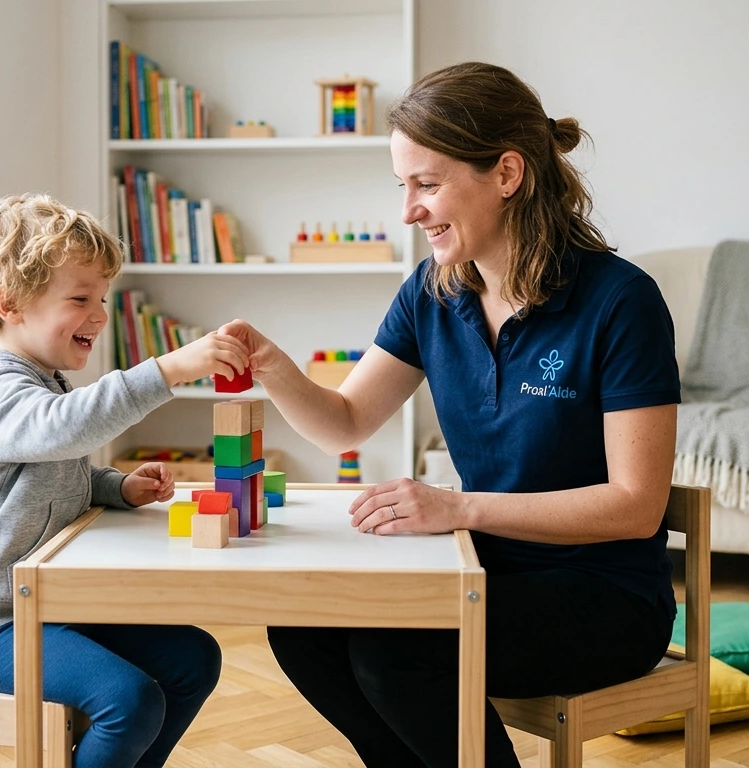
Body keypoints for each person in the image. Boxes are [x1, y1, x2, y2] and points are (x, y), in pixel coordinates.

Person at [218, 62, 681, 768]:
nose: (408, 212)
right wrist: (275, 367)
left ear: (506, 174)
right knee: (303, 627)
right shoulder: (431, 292)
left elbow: (635, 508)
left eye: (427, 185)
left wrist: (458, 507)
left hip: (603, 596)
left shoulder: (622, 302)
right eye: (403, 187)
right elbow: (345, 421)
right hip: (476, 569)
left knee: (396, 648)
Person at [0, 193, 250, 768]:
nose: (100, 315)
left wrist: (114, 486)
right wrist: (170, 369)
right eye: (80, 299)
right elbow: (60, 433)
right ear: (10, 304)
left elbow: (51, 473)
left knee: (193, 658)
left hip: (53, 602)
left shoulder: (40, 381)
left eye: (102, 299)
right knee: (128, 699)